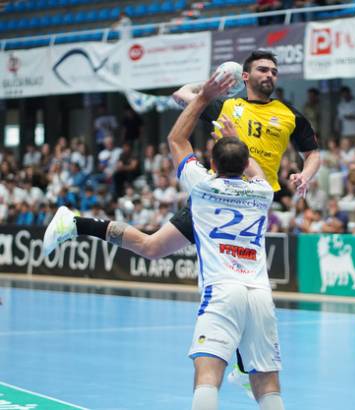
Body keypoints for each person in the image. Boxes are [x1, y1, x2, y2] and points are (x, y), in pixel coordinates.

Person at [43, 50, 319, 397]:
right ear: (246, 76)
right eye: (263, 69)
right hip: (228, 195)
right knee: (189, 260)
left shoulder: (289, 115)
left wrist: (306, 175)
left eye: (275, 71)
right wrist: (210, 87)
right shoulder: (227, 107)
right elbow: (180, 96)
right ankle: (248, 368)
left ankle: (76, 224)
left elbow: (313, 153)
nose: (271, 75)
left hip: (248, 199)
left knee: (156, 248)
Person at [165, 77, 284, 409]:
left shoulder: (202, 185)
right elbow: (256, 172)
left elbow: (176, 139)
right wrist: (235, 139)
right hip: (259, 293)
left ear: (212, 164)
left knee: (207, 375)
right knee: (268, 385)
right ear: (244, 164)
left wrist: (203, 96)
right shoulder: (262, 192)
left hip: (221, 290)